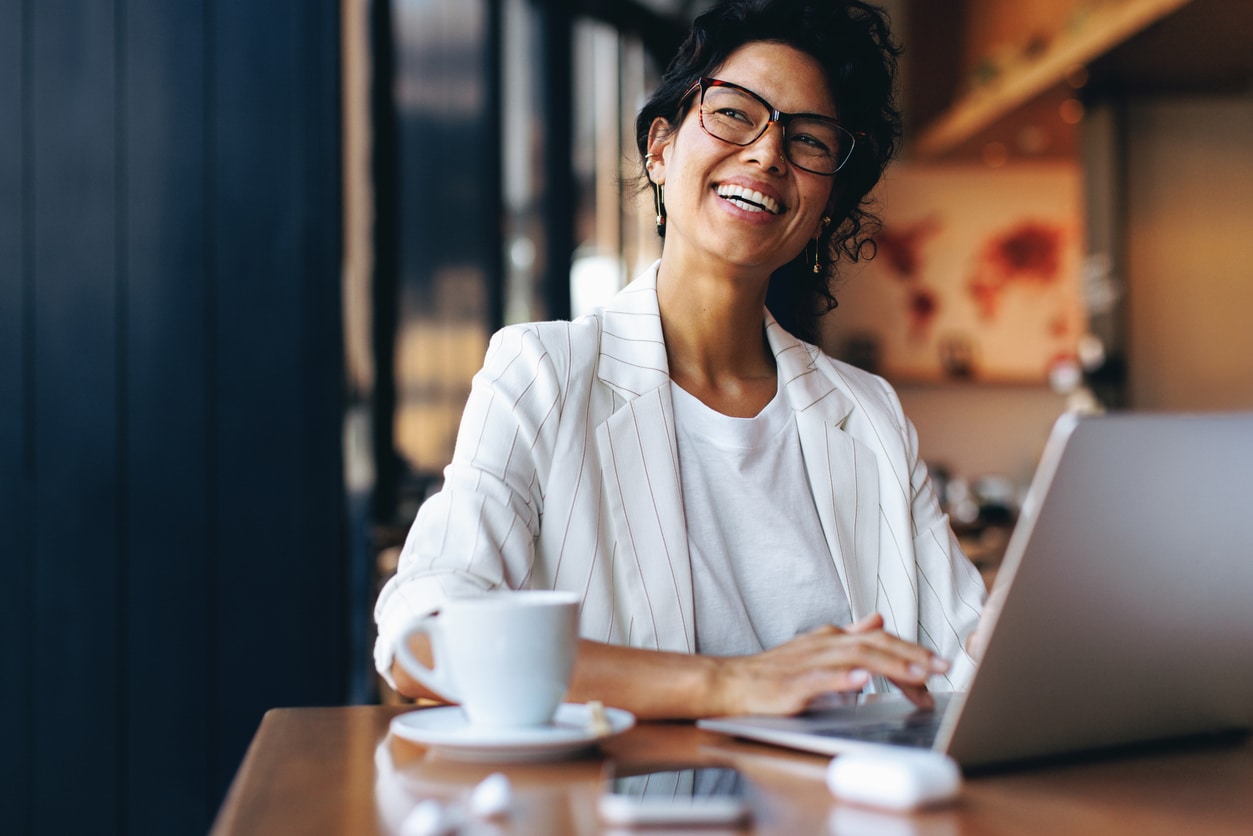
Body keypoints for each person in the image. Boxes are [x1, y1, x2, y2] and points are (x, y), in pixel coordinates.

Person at [374, 0, 986, 719]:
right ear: (660, 150)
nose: (766, 153)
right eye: (733, 113)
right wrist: (728, 683)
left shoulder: (866, 411)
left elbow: (969, 653)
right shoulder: (542, 372)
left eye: (809, 140)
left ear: (825, 205)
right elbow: (423, 634)